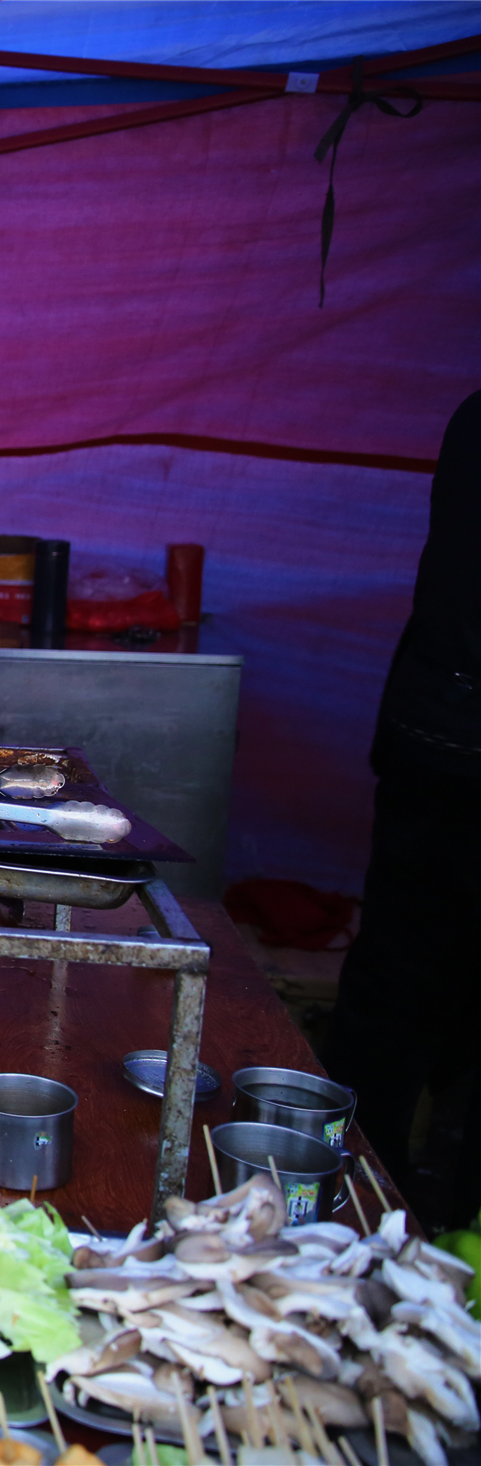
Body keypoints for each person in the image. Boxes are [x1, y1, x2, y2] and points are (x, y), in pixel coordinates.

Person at [324, 389, 481, 1225]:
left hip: (434, 744)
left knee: (391, 998)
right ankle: (371, 1206)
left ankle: (356, 1203)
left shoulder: (471, 416)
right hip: (444, 752)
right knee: (395, 998)